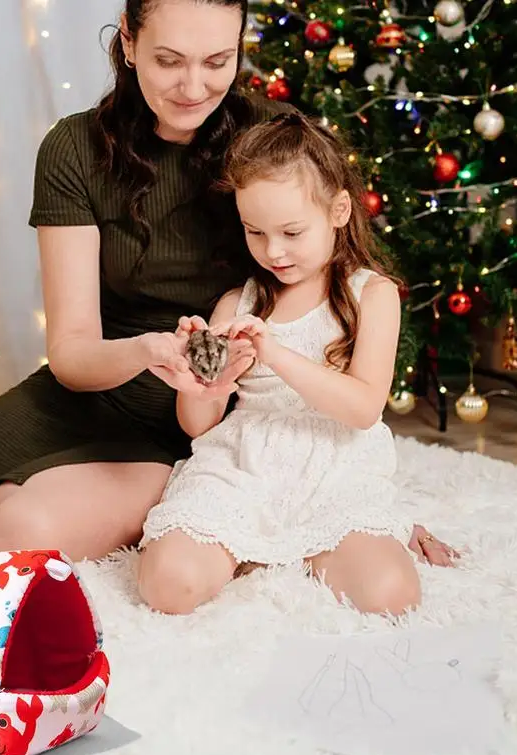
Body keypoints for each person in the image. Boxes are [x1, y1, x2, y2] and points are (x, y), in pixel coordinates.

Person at [0, 0, 456, 570]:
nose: (194, 85)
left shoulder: (266, 137)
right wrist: (148, 351)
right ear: (127, 41)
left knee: (13, 528)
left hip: (200, 417)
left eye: (217, 60)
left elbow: (332, 282)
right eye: (170, 60)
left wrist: (364, 512)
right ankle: (34, 478)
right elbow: (71, 353)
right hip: (98, 379)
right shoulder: (75, 148)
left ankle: (100, 496)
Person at [137, 112, 437, 617]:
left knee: (391, 596)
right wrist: (204, 380)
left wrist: (275, 352)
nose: (272, 251)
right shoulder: (239, 301)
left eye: (292, 232)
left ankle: (314, 547)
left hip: (335, 465)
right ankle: (244, 544)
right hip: (245, 466)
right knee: (168, 586)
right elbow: (197, 426)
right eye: (255, 232)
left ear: (339, 211)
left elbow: (363, 409)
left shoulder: (374, 294)